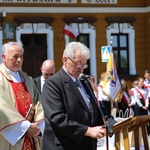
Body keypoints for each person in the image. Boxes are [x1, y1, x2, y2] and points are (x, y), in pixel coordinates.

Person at [41, 42, 106, 150]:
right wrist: (87, 130)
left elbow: (92, 110)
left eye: (84, 64)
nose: (81, 68)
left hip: (86, 144)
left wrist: (109, 122)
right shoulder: (53, 84)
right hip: (64, 145)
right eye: (78, 63)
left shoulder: (84, 82)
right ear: (65, 60)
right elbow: (57, 118)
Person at [0, 41, 44, 150]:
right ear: (3, 57)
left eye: (21, 57)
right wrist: (26, 127)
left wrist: (36, 126)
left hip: (31, 136)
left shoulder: (27, 79)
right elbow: (3, 108)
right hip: (9, 138)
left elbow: (38, 102)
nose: (19, 60)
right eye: (15, 57)